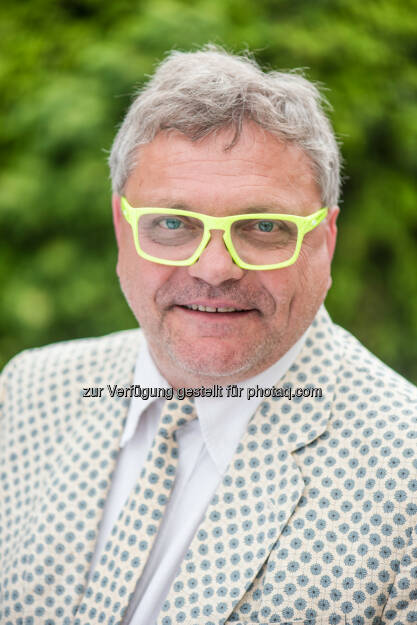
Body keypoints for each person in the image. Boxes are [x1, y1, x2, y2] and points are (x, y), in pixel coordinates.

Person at [1, 45, 416, 625]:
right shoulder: (28, 391)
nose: (214, 267)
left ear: (327, 239)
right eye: (172, 223)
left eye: (264, 226)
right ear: (122, 230)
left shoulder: (407, 478)